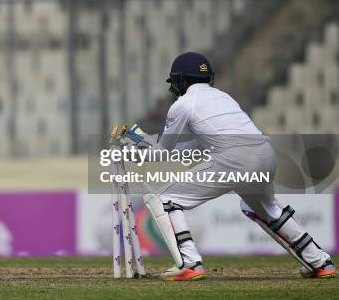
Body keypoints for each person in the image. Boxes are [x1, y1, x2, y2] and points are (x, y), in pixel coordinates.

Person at [114, 52, 335, 281]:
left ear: (183, 80)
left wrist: (134, 148)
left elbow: (163, 152)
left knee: (163, 200)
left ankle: (190, 264)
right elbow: (194, 146)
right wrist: (142, 144)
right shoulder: (223, 97)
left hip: (235, 159)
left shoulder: (183, 105)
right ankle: (320, 261)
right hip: (265, 154)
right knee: (267, 209)